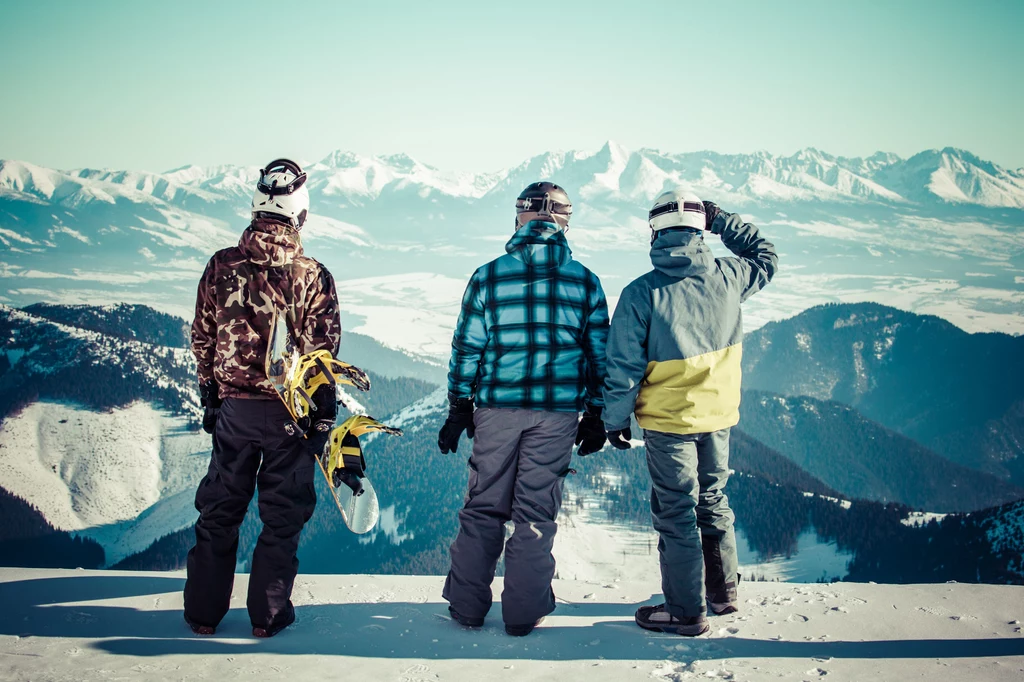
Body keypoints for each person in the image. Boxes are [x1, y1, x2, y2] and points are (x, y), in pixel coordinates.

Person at [602, 189, 778, 636]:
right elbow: (765, 255)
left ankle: (685, 610)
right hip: (718, 416)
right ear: (702, 227)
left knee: (677, 511)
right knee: (714, 501)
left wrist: (614, 419)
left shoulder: (642, 292)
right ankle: (723, 594)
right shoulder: (730, 276)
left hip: (668, 423)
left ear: (654, 230)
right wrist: (723, 221)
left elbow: (623, 365)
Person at [438, 182, 610, 637]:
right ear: (564, 222)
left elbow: (467, 348)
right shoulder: (586, 282)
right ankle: (522, 613)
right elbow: (599, 356)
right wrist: (596, 414)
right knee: (536, 514)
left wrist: (459, 406)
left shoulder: (488, 276)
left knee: (483, 507)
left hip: (496, 409)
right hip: (556, 414)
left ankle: (467, 608)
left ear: (519, 219)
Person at [185, 159, 342, 638]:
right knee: (282, 514)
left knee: (219, 510)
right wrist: (322, 415)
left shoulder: (221, 265)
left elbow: (203, 336)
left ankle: (203, 614)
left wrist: (210, 390)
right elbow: (323, 355)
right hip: (289, 415)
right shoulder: (314, 276)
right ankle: (267, 617)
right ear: (300, 214)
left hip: (234, 409)